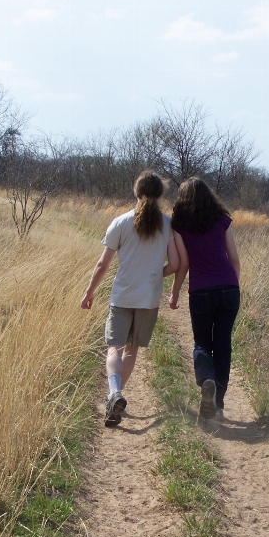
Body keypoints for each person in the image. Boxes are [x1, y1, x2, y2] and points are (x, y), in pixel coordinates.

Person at [82, 170, 180, 427]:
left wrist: (89, 292)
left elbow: (103, 264)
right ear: (160, 195)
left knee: (114, 347)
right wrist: (155, 275)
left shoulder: (120, 222)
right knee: (131, 350)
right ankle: (115, 396)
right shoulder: (168, 224)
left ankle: (114, 393)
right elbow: (177, 263)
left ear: (136, 192)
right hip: (149, 298)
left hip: (123, 295)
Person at [168, 177, 240, 420]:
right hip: (229, 288)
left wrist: (175, 292)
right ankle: (218, 403)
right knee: (223, 345)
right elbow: (234, 259)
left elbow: (184, 263)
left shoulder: (179, 224)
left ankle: (206, 379)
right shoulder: (222, 219)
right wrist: (234, 285)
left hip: (200, 290)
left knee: (201, 343)